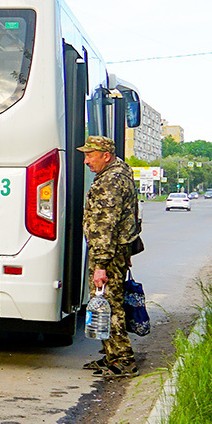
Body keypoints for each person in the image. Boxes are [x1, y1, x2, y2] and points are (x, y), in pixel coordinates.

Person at [80, 136, 141, 376]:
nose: (86, 161)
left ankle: (123, 360)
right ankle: (111, 356)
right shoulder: (118, 173)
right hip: (116, 250)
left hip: (107, 253)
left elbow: (105, 225)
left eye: (90, 155)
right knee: (106, 302)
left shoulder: (111, 181)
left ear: (106, 155)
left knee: (109, 304)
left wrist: (101, 265)